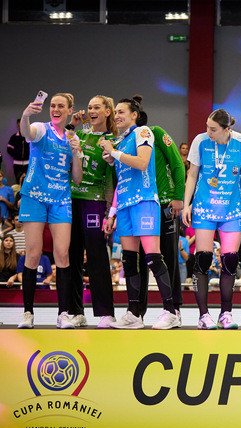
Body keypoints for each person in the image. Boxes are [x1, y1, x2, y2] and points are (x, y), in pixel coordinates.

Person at [100, 97, 179, 330]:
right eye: (115, 112)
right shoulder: (121, 141)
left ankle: (170, 311)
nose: (116, 115)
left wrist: (114, 153)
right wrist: (112, 213)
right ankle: (134, 314)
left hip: (144, 201)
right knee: (128, 260)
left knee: (153, 257)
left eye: (121, 111)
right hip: (125, 205)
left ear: (134, 114)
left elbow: (143, 163)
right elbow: (121, 182)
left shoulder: (143, 132)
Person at [182, 109, 241, 329]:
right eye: (207, 127)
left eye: (213, 129)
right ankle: (203, 316)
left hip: (231, 210)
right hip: (204, 208)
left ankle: (226, 314)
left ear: (227, 129)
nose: (208, 132)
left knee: (230, 261)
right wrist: (186, 205)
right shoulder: (200, 141)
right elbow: (192, 175)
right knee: (203, 259)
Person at [17, 92, 83, 329]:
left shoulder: (73, 138)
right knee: (33, 254)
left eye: (60, 106)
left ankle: (63, 314)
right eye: (53, 105)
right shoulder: (41, 128)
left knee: (62, 255)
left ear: (69, 110)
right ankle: (28, 313)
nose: (55, 109)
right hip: (34, 197)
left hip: (61, 199)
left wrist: (76, 153)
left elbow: (77, 178)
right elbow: (27, 133)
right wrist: (26, 115)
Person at [66, 95, 117, 329]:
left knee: (97, 256)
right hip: (70, 200)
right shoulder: (81, 134)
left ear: (108, 111)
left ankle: (106, 313)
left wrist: (109, 212)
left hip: (94, 202)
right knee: (72, 256)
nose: (92, 111)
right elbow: (62, 140)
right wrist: (73, 125)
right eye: (89, 107)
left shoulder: (113, 140)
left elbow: (112, 179)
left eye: (97, 107)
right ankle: (76, 311)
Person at [135, 117, 186, 322]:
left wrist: (178, 196)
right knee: (139, 258)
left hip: (165, 204)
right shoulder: (126, 140)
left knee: (169, 255)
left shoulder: (156, 132)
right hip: (140, 205)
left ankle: (174, 309)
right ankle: (137, 312)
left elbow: (177, 164)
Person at [7, 119, 30, 183]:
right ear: (17, 126)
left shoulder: (29, 136)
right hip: (17, 164)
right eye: (19, 125)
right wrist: (16, 155)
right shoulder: (14, 137)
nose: (21, 127)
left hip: (28, 163)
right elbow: (9, 149)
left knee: (28, 181)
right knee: (18, 181)